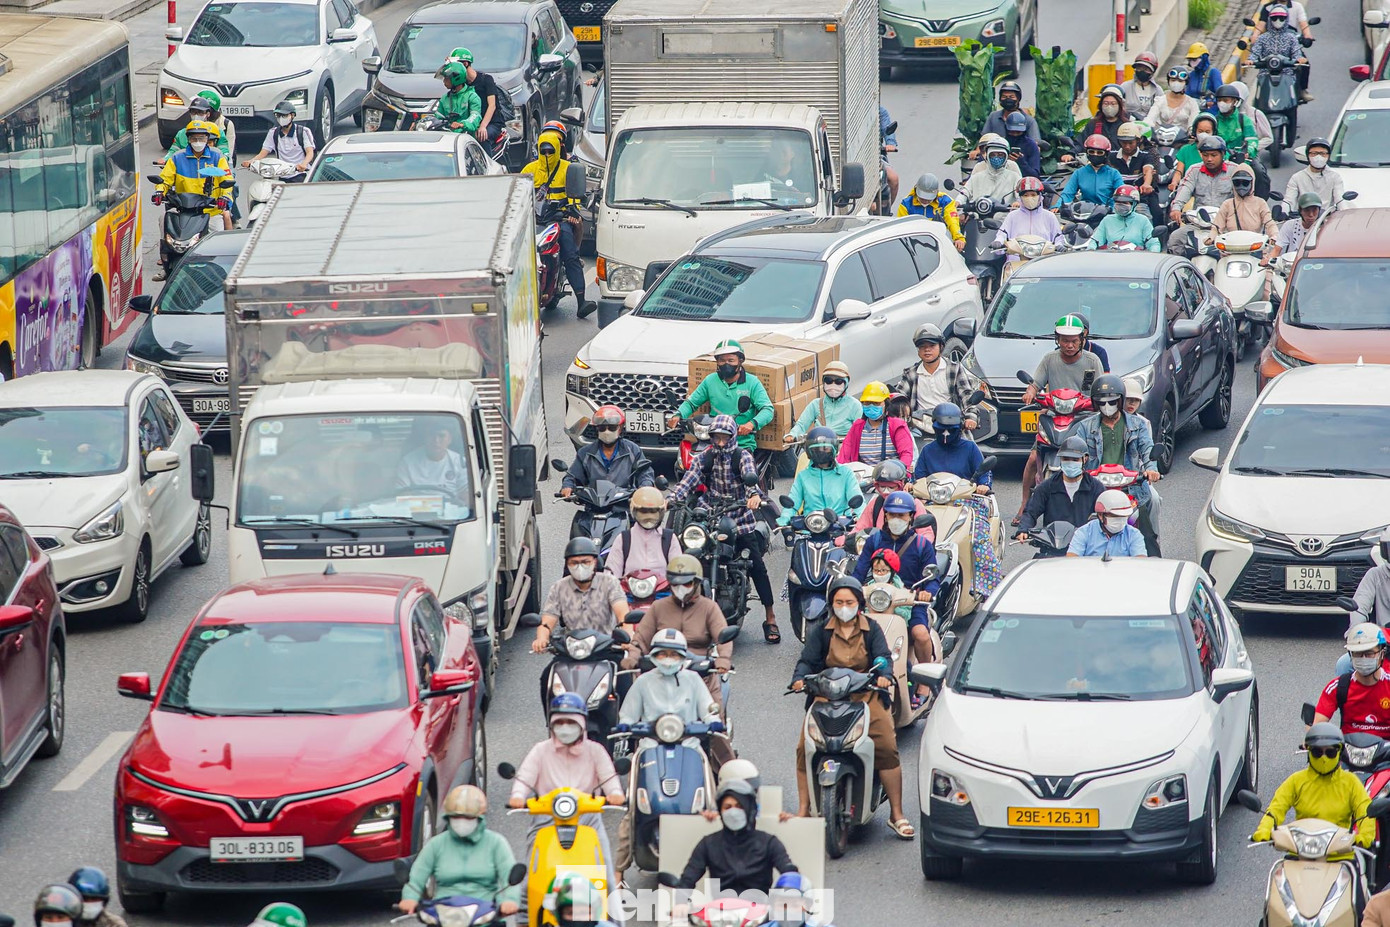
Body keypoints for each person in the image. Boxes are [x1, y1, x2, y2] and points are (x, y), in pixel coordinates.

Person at [791, 577, 912, 837]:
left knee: (886, 746)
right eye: (838, 602)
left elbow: (882, 657)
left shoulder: (872, 629)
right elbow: (807, 661)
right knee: (804, 747)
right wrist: (799, 678)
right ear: (831, 603)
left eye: (849, 602)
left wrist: (883, 674)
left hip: (865, 695)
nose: (843, 607)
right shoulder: (821, 630)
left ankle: (897, 814)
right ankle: (803, 809)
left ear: (859, 604)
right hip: (827, 696)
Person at [614, 628, 724, 874]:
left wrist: (713, 720)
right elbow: (628, 714)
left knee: (711, 802)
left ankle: (718, 865)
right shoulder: (643, 682)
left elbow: (708, 708)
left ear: (683, 656)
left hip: (689, 745)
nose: (668, 659)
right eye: (662, 654)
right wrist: (626, 725)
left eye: (673, 654)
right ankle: (618, 872)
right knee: (633, 809)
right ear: (653, 656)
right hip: (650, 747)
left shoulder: (693, 680)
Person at [667, 415, 780, 642]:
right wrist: (670, 499)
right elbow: (687, 481)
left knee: (757, 566)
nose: (720, 442)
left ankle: (770, 617)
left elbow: (750, 480)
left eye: (724, 438)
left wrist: (753, 496)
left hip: (739, 515)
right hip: (711, 514)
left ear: (732, 437)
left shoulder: (742, 456)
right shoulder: (705, 457)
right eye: (716, 437)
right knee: (691, 554)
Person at [510, 694, 625, 905]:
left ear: (582, 724)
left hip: (588, 820)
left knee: (606, 876)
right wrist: (518, 796)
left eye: (571, 722)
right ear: (552, 724)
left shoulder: (595, 751)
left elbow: (609, 777)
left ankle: (612, 918)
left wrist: (615, 794)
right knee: (530, 880)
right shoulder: (540, 750)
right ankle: (525, 917)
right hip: (546, 820)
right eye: (560, 722)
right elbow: (524, 777)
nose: (565, 727)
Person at [1013, 315, 1105, 523]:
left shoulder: (1092, 361)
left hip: (1083, 417)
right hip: (1054, 416)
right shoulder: (1049, 359)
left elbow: (1100, 389)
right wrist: (1030, 392)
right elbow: (1036, 383)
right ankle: (1025, 503)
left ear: (1082, 340)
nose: (1069, 345)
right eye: (1064, 340)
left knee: (1097, 457)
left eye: (1073, 341)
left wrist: (1097, 401)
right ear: (1057, 340)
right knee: (1032, 459)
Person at [852, 492, 939, 697]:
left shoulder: (921, 545)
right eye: (892, 515)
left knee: (920, 634)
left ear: (911, 517)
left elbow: (932, 578)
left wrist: (926, 593)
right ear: (885, 516)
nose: (896, 519)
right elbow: (859, 571)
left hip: (910, 600)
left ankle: (924, 680)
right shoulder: (873, 541)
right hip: (876, 599)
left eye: (901, 515)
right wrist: (849, 588)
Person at [1250, 724, 1375, 861]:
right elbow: (1276, 808)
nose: (1323, 758)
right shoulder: (1296, 781)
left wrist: (1365, 836)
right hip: (1300, 854)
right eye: (1317, 752)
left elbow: (1365, 811)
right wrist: (1264, 829)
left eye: (1330, 753)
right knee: (1279, 874)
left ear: (1339, 753)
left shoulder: (1351, 782)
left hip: (1340, 856)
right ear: (1309, 752)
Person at [623, 554, 732, 703]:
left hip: (700, 675)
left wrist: (723, 659)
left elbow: (722, 636)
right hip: (660, 672)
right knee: (634, 706)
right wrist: (632, 656)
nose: (680, 588)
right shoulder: (658, 607)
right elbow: (640, 639)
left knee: (713, 711)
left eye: (686, 584)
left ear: (696, 583)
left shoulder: (709, 608)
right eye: (675, 584)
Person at [398, 784, 521, 916]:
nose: (462, 822)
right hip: (444, 913)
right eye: (456, 817)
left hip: (485, 914)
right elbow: (417, 876)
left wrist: (510, 900)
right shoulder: (436, 845)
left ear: (479, 818)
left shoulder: (496, 843)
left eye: (468, 818)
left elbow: (509, 876)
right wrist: (410, 897)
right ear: (448, 818)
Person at [1074, 373, 1161, 555]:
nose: (1107, 406)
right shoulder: (1085, 427)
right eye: (1102, 402)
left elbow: (1147, 448)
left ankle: (1153, 545)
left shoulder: (1138, 424)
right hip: (1095, 485)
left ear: (1120, 400)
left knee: (1153, 499)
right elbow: (1078, 451)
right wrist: (1076, 469)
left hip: (1131, 485)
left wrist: (1151, 469)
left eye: (1112, 402)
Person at [677, 779, 798, 894]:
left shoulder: (769, 842)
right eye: (727, 807)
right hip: (720, 907)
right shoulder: (708, 844)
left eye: (739, 806)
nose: (733, 812)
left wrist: (788, 892)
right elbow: (688, 878)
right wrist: (680, 902)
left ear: (749, 809)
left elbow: (789, 872)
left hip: (760, 907)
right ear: (720, 811)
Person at [522, 125, 593, 318]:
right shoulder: (529, 170)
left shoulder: (567, 169)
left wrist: (571, 212)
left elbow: (575, 198)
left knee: (570, 253)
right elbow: (518, 194)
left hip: (559, 220)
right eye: (543, 150)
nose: (547, 154)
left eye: (550, 151)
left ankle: (581, 301)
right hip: (534, 221)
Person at [154, 119, 232, 279]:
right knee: (163, 219)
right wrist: (160, 192)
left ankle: (226, 272)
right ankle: (167, 263)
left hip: (210, 210)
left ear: (207, 139)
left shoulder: (217, 157)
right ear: (188, 139)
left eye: (201, 138)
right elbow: (165, 179)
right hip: (183, 210)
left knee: (219, 241)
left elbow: (227, 180)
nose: (198, 141)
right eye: (194, 138)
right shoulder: (177, 158)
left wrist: (225, 197)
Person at [670, 339, 774, 452]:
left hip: (741, 444)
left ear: (740, 361)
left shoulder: (752, 382)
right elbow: (691, 403)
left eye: (731, 360)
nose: (726, 364)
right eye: (722, 360)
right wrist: (678, 415)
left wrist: (751, 424)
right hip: (713, 441)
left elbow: (767, 409)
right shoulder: (710, 380)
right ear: (717, 362)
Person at [533, 537, 629, 653]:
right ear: (567, 564)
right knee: (553, 665)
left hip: (606, 648)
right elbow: (547, 621)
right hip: (573, 649)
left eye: (585, 562)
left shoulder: (609, 582)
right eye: (574, 563)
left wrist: (627, 637)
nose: (580, 567)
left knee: (628, 664)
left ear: (595, 562)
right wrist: (542, 639)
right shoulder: (559, 587)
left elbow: (623, 615)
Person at [1015, 436, 1104, 555]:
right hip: (1052, 549)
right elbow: (1030, 512)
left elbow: (1105, 516)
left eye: (1075, 459)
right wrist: (1023, 529)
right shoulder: (1047, 487)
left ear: (1085, 459)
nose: (1070, 463)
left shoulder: (1096, 488)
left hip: (1086, 550)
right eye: (1066, 458)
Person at [898, 323, 983, 436]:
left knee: (968, 446)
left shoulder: (955, 369)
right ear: (918, 350)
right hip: (919, 428)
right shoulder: (911, 373)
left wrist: (971, 417)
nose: (927, 350)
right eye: (922, 346)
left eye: (932, 345)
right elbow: (899, 397)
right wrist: (897, 406)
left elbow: (967, 396)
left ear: (941, 347)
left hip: (951, 425)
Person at [562, 405, 656, 498]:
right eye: (602, 428)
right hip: (594, 503)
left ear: (620, 428)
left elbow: (645, 473)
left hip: (623, 502)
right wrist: (568, 486)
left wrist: (645, 487)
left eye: (612, 428)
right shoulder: (585, 453)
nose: (607, 432)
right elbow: (573, 475)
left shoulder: (633, 450)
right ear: (597, 429)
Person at [1315, 624, 1390, 737]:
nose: (1363, 658)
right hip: (1349, 746)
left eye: (1369, 653)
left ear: (1381, 653)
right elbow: (1317, 725)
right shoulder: (1338, 687)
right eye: (1358, 654)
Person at [779, 427, 864, 527]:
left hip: (840, 526)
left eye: (825, 448)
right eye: (816, 449)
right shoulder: (803, 476)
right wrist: (784, 519)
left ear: (834, 449)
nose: (821, 452)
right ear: (809, 451)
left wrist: (863, 519)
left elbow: (856, 496)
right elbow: (793, 500)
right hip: (811, 526)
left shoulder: (846, 473)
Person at [606, 486, 680, 585]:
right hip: (629, 592)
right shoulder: (623, 539)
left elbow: (678, 575)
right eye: (643, 511)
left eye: (653, 511)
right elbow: (611, 577)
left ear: (661, 512)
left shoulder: (670, 539)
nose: (648, 517)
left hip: (663, 593)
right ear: (634, 511)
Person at [1169, 136, 1236, 242]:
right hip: (1199, 224)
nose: (1209, 159)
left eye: (1214, 155)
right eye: (1205, 155)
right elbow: (1185, 189)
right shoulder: (1194, 170)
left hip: (1226, 225)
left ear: (1223, 154)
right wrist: (1176, 209)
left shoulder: (1234, 170)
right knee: (1175, 238)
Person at [837, 381, 913, 470]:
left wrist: (900, 471)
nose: (871, 406)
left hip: (891, 475)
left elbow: (906, 455)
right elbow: (844, 456)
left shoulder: (897, 425)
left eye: (876, 403)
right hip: (863, 476)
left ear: (886, 404)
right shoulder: (857, 427)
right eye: (867, 403)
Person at [912, 403, 989, 488]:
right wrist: (912, 484)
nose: (946, 433)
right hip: (933, 494)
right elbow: (918, 477)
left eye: (952, 430)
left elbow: (983, 473)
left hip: (964, 494)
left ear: (960, 427)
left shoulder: (970, 448)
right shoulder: (927, 450)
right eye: (941, 429)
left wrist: (984, 485)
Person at [994, 176, 1065, 266]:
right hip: (1016, 263)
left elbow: (1058, 237)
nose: (1029, 198)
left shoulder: (1049, 216)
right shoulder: (1012, 216)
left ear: (1040, 196)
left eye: (1033, 195)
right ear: (1020, 197)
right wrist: (998, 242)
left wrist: (1059, 246)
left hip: (1044, 263)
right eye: (1026, 195)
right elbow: (1002, 234)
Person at [850, 459, 928, 537]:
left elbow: (926, 533)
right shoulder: (875, 503)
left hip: (908, 544)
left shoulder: (915, 504)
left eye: (891, 487)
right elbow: (859, 528)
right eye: (882, 487)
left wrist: (917, 544)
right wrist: (846, 539)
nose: (886, 491)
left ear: (902, 484)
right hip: (879, 544)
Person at [449, 48, 508, 150]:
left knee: (481, 136)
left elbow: (492, 105)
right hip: (470, 122)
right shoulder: (460, 84)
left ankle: (487, 160)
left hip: (491, 123)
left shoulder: (486, 80)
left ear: (465, 64)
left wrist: (483, 126)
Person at [787, 361, 861, 441]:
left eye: (838, 381)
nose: (833, 385)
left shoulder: (855, 405)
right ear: (823, 382)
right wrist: (792, 435)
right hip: (818, 444)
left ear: (846, 383)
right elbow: (801, 425)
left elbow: (859, 431)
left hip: (843, 445)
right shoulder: (816, 404)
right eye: (828, 380)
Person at [243, 101, 315, 181]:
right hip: (282, 174)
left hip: (301, 174)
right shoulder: (273, 133)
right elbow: (263, 152)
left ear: (292, 115)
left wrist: (303, 164)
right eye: (278, 115)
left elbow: (310, 152)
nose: (281, 118)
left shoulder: (303, 131)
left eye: (284, 116)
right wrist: (251, 162)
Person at [1066, 489, 1147, 557]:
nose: (1120, 520)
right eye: (1115, 516)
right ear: (1100, 515)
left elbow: (1140, 563)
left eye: (1124, 516)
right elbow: (1072, 561)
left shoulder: (1134, 534)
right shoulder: (1084, 532)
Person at [897, 173, 965, 252]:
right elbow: (900, 228)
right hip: (914, 244)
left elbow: (952, 221)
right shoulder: (906, 204)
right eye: (922, 198)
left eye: (929, 199)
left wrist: (958, 238)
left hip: (940, 242)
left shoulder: (946, 201)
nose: (925, 201)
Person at [396, 424, 469, 497]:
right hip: (416, 504)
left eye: (441, 436)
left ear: (450, 439)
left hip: (451, 503)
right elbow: (402, 494)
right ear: (425, 438)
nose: (436, 440)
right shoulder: (407, 462)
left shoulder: (460, 462)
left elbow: (466, 495)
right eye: (431, 435)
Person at [165, 91, 236, 161]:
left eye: (200, 112)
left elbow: (225, 152)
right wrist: (165, 159)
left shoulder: (218, 132)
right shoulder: (181, 134)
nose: (196, 115)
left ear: (208, 114)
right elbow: (173, 152)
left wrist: (223, 160)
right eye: (193, 112)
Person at [1087, 184, 1160, 251]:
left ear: (1134, 204)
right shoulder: (1107, 220)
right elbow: (1095, 241)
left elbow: (1153, 244)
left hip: (1136, 258)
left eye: (1125, 203)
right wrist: (1091, 249)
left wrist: (1153, 253)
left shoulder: (1143, 220)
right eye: (1118, 202)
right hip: (1111, 257)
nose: (1121, 205)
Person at [1060, 135, 1124, 207]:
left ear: (1106, 154)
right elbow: (1068, 193)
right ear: (1087, 153)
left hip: (1108, 211)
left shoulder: (1114, 174)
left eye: (1099, 152)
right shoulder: (1079, 173)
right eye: (1091, 151)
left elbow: (1121, 195)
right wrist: (1058, 205)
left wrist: (1113, 208)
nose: (1095, 154)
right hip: (1085, 211)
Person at [1110, 123, 1157, 216]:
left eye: (1131, 143)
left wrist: (1146, 184)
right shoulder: (1111, 156)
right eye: (1124, 143)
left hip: (1139, 200)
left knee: (1155, 214)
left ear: (1138, 141)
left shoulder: (1146, 155)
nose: (1127, 146)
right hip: (1116, 200)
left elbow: (1147, 170)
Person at [1283, 137, 1343, 209]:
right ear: (1307, 155)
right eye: (1314, 153)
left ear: (1328, 156)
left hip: (1328, 214)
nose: (1318, 157)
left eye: (1323, 153)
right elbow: (1289, 201)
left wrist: (1344, 211)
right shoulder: (1297, 177)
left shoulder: (1335, 177)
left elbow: (1340, 200)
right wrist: (1284, 211)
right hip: (1304, 214)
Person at [960, 134, 1021, 203]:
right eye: (992, 155)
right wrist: (959, 201)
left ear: (1006, 155)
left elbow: (1020, 192)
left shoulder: (1014, 175)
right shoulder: (977, 174)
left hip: (1007, 209)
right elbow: (966, 191)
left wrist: (1019, 202)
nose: (996, 158)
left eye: (1000, 155)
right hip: (981, 208)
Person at [1211, 84, 1259, 164]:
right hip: (1219, 161)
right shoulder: (1214, 121)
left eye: (1226, 100)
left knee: (1259, 170)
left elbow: (1252, 140)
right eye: (1219, 100)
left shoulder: (1244, 120)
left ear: (1235, 101)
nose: (1222, 103)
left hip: (1241, 160)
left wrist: (1248, 151)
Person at [1171, 112, 1219, 189]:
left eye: (1207, 132)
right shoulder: (1185, 150)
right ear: (1195, 131)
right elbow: (1179, 172)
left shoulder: (1220, 151)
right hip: (1189, 189)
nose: (1203, 134)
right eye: (1200, 131)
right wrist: (1174, 183)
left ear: (1214, 132)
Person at [1146, 67, 1201, 133]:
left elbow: (1193, 123)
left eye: (1180, 81)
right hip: (1161, 136)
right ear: (1168, 82)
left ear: (1186, 83)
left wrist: (1191, 131)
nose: (1176, 83)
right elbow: (1150, 118)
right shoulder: (1160, 100)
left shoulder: (1192, 103)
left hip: (1183, 137)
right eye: (1173, 80)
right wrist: (1145, 126)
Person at [1273, 191, 1321, 261]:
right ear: (1300, 211)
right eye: (1307, 210)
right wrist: (1268, 260)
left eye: (1314, 210)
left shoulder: (1324, 228)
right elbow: (1276, 249)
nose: (1311, 214)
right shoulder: (1290, 225)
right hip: (1291, 263)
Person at [1085, 84, 1133, 151]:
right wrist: (1071, 153)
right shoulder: (1093, 124)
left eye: (1113, 103)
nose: (1109, 107)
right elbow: (1080, 143)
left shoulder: (1127, 125)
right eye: (1106, 103)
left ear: (1120, 105)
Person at [1120, 52, 1162, 117]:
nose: (1142, 71)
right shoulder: (1125, 87)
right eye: (1139, 68)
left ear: (1152, 71)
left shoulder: (1157, 90)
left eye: (1146, 69)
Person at [1004, 111, 1042, 179]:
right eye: (1012, 132)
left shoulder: (1031, 145)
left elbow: (1035, 175)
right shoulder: (1002, 144)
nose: (1015, 135)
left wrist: (1021, 162)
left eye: (1018, 132)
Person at [880, 104, 900, 207]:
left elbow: (887, 129)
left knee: (893, 178)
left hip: (875, 156)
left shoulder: (880, 111)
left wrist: (890, 144)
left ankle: (887, 209)